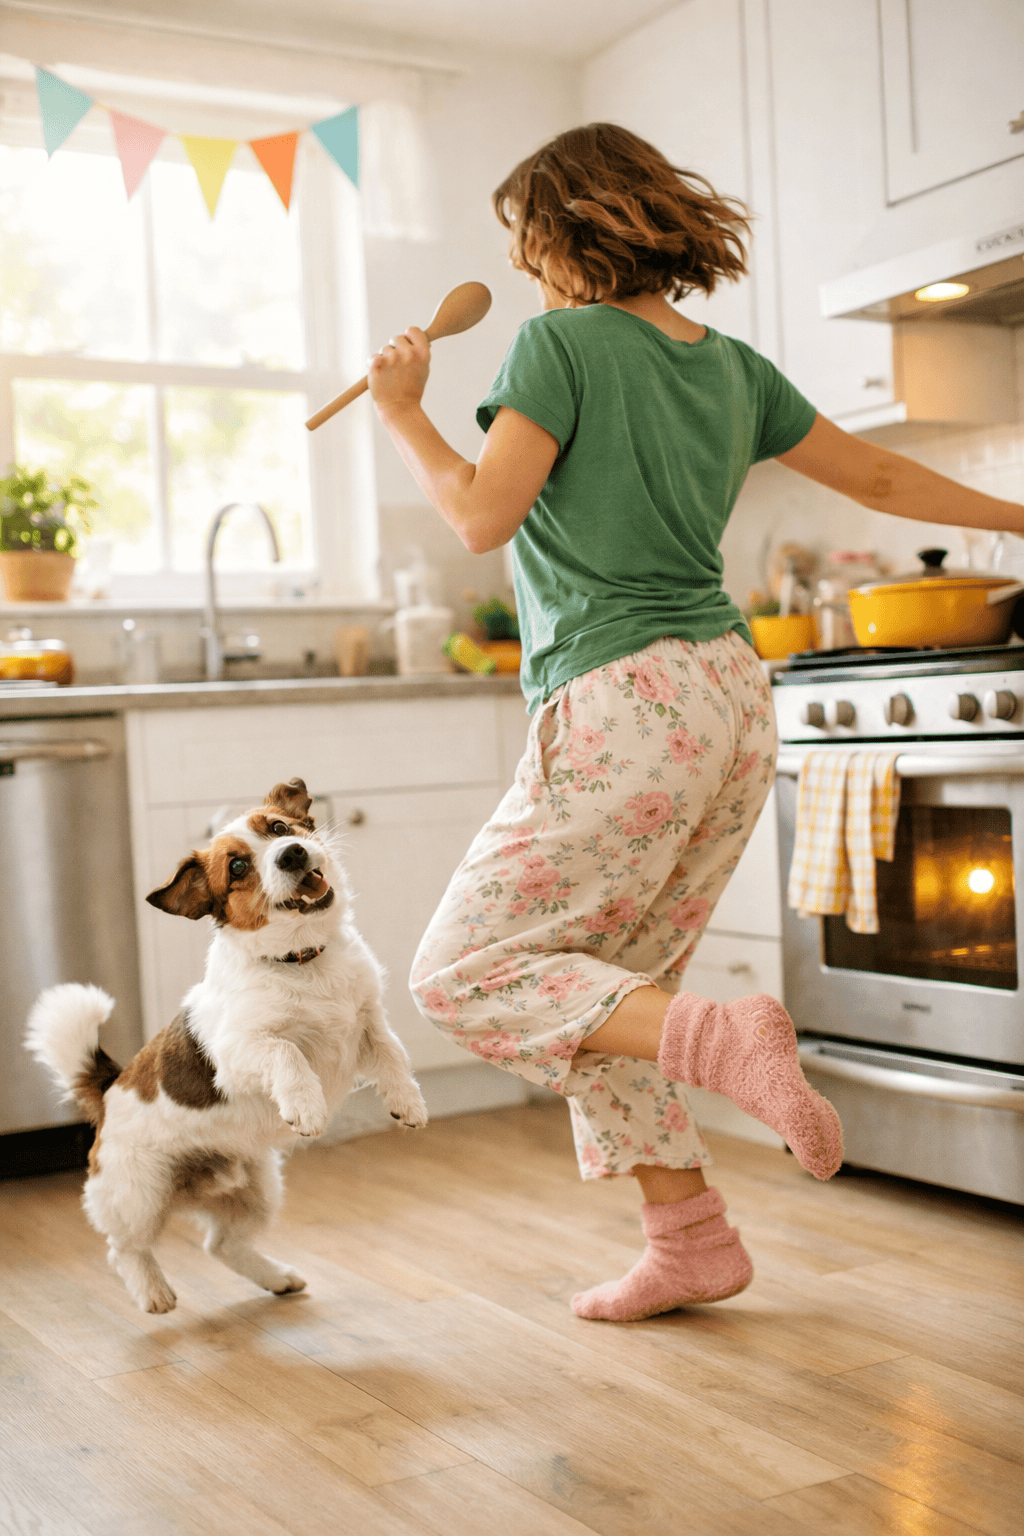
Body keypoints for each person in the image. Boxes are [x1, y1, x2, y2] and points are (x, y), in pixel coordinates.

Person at [366, 123, 1024, 1323]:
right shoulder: (732, 368)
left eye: (525, 238)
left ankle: (724, 1041)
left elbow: (477, 518)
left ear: (570, 230)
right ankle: (690, 1242)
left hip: (623, 701)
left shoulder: (556, 345)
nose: (519, 266)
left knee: (465, 972)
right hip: (728, 693)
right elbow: (880, 480)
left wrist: (403, 411)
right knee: (611, 994)